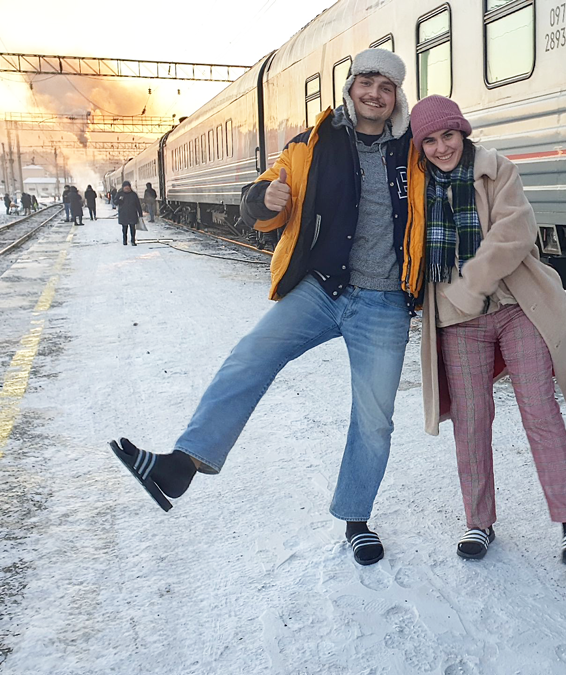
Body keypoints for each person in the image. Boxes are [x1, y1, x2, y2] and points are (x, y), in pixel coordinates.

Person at [107, 48, 418, 567]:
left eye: (386, 87)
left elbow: (460, 168)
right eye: (366, 82)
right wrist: (263, 200)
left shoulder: (413, 150)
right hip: (323, 289)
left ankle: (356, 519)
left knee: (374, 419)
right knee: (249, 357)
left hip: (384, 301)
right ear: (350, 87)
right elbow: (264, 189)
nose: (375, 94)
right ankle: (180, 467)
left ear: (396, 97)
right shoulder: (313, 142)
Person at [407, 96, 566, 564]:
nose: (440, 147)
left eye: (448, 135)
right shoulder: (414, 188)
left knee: (540, 409)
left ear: (463, 132)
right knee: (471, 422)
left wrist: (471, 286)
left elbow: (514, 234)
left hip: (518, 308)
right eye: (428, 140)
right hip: (455, 320)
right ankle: (479, 524)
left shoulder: (497, 170)